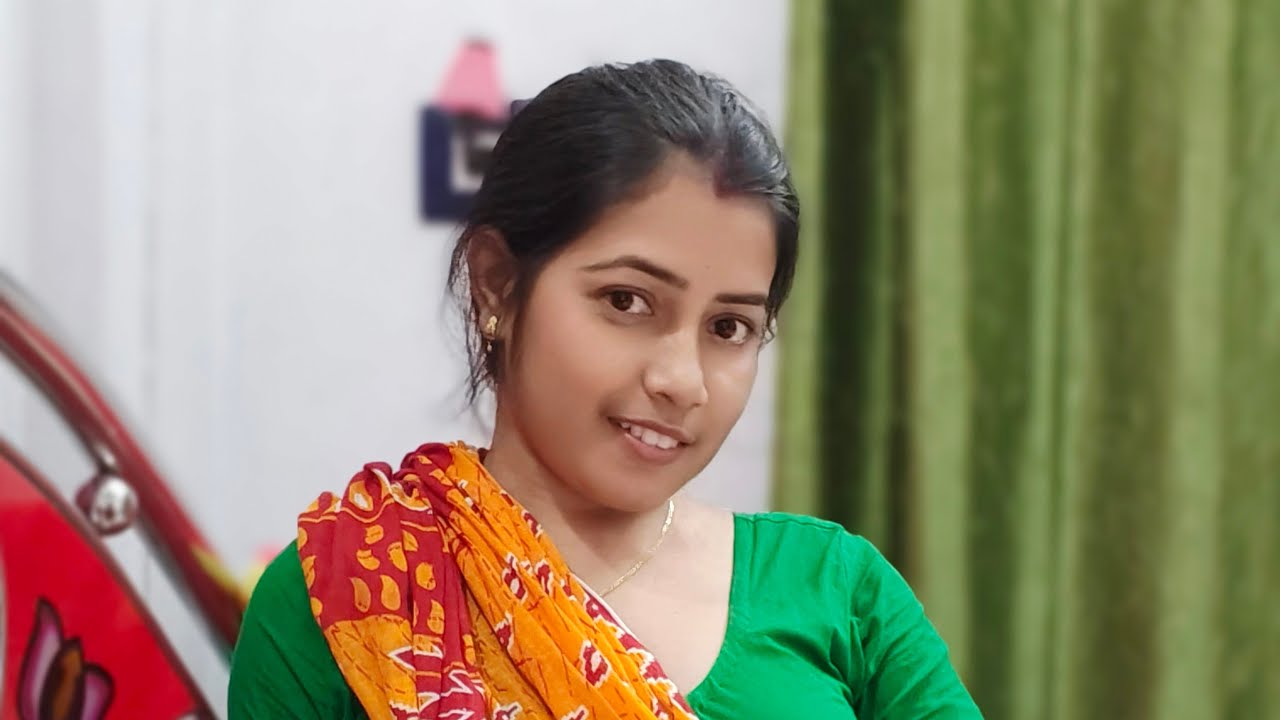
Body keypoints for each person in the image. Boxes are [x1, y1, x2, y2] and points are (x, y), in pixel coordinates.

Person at [227, 59, 982, 719]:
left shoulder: (837, 593)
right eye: (627, 301)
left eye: (729, 327)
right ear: (498, 283)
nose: (681, 381)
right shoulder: (353, 596)